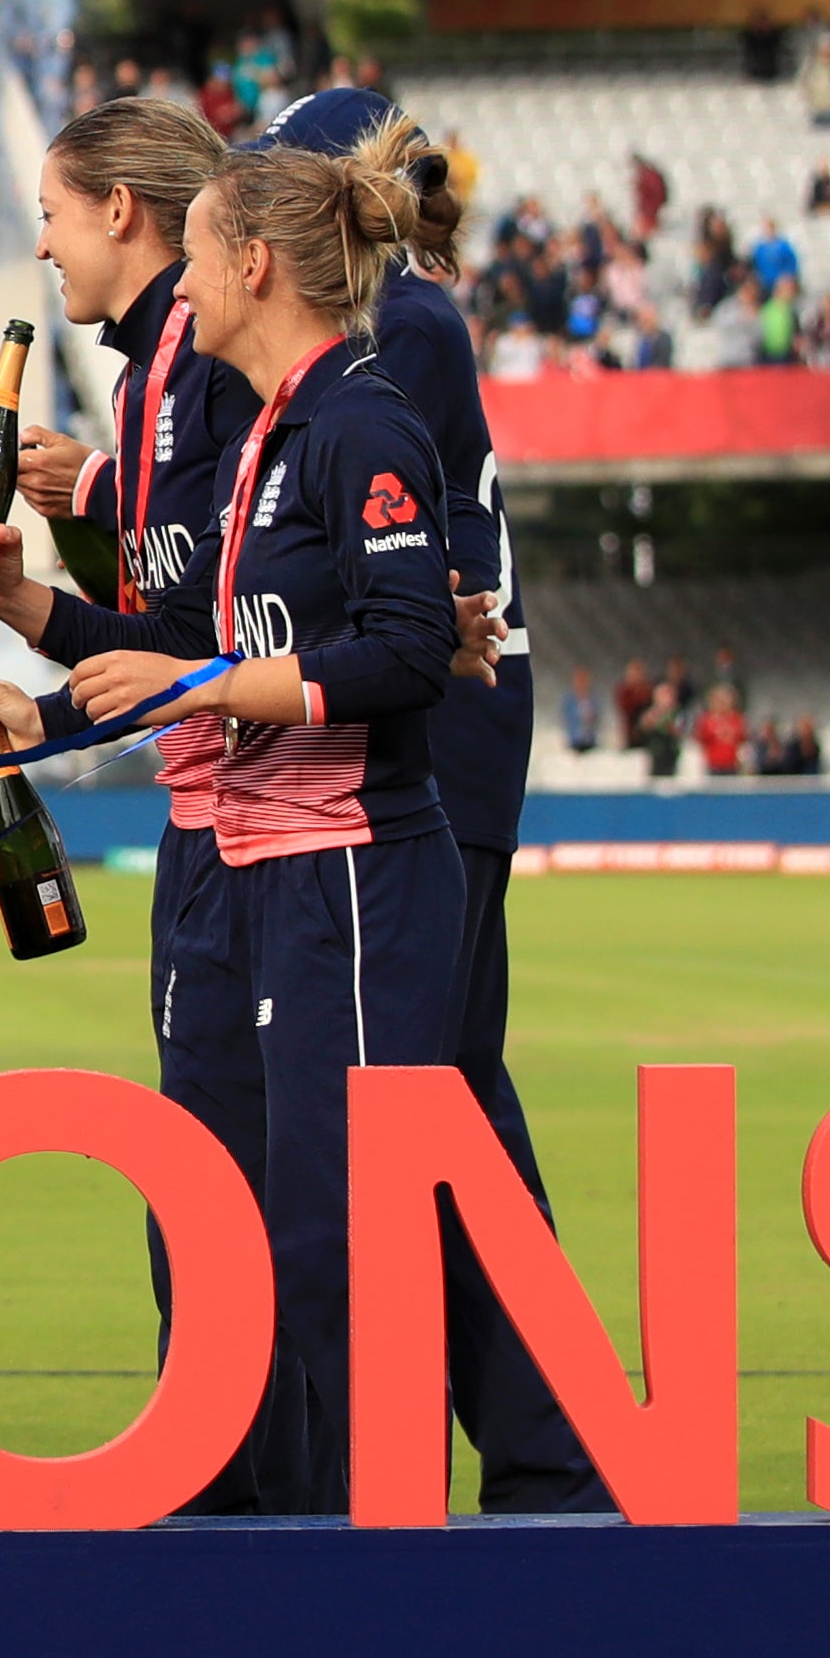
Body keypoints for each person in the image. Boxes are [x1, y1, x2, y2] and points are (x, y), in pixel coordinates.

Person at [0, 123, 493, 1517]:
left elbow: (399, 653)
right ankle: (283, 1539)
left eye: (193, 262)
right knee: (234, 1229)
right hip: (256, 868)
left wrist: (193, 672)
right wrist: (37, 650)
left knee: (341, 1244)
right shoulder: (268, 434)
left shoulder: (360, 423)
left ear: (254, 264)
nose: (176, 296)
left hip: (355, 877)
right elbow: (192, 639)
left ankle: (395, 1561)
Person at [256, 84, 603, 1514]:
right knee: (451, 1102)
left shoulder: (392, 327)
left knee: (422, 1115)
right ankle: (552, 1450)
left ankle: (518, 1453)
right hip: (456, 739)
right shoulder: (418, 318)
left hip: (429, 748)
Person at [0, 92, 272, 1509]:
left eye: (54, 220)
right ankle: (243, 1486)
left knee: (240, 1193)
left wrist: (49, 699)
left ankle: (262, 1499)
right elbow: (169, 625)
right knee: (214, 1182)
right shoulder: (147, 385)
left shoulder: (202, 365)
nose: (43, 252)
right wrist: (36, 593)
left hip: (271, 836)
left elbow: (214, 633)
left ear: (123, 213)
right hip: (215, 825)